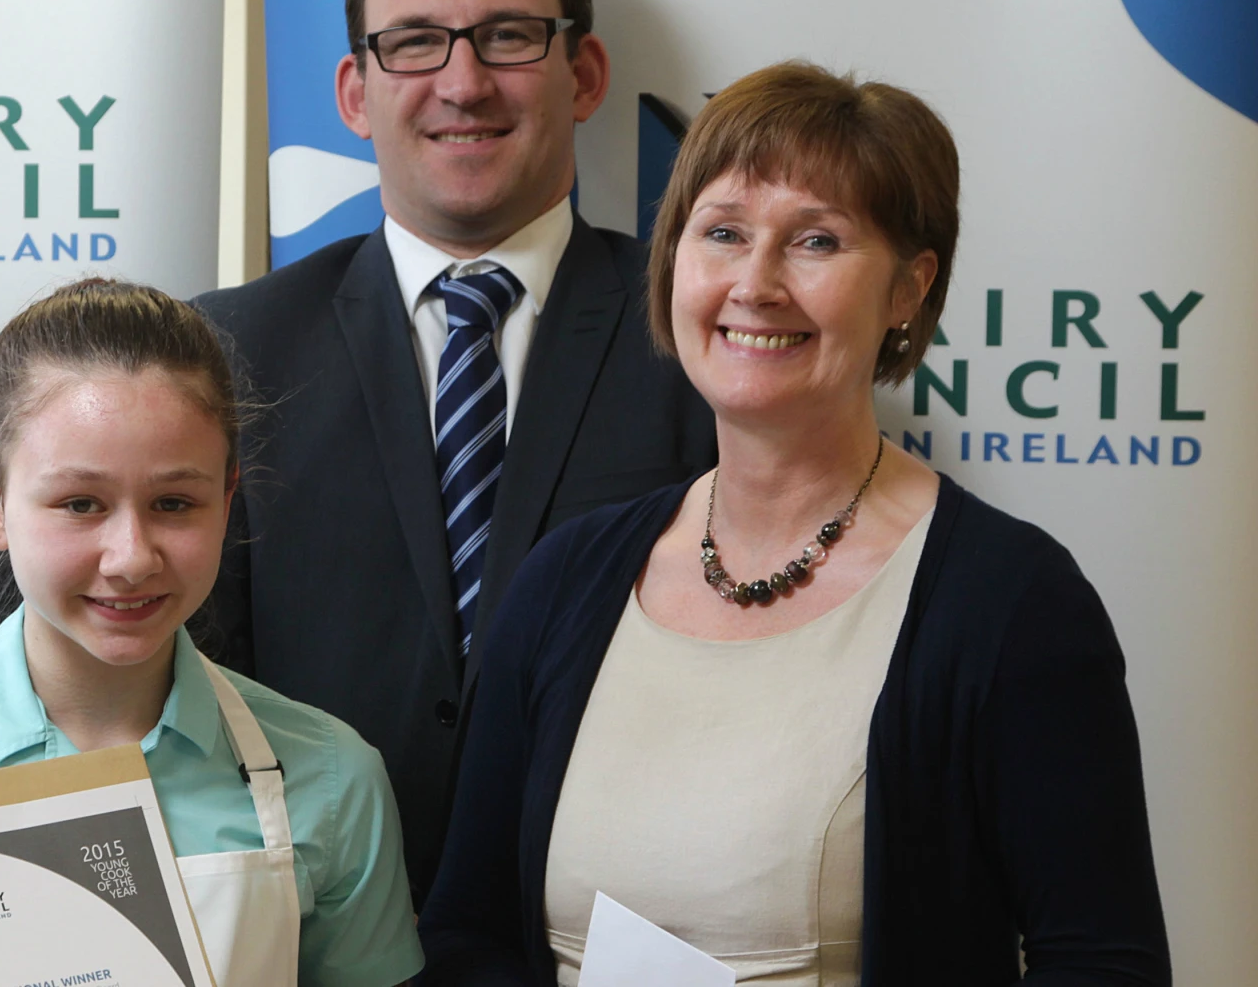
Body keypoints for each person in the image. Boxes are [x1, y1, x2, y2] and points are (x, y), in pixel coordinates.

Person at [419, 62, 1170, 985]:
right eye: (723, 233)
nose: (756, 283)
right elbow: (469, 932)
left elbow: (1103, 965)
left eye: (816, 241)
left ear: (908, 290)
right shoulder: (565, 579)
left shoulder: (1012, 603)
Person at [193, 0, 716, 897]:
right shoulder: (228, 355)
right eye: (415, 42)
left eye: (508, 36)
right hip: (314, 927)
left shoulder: (702, 342)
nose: (463, 83)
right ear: (355, 93)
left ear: (585, 74)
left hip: (621, 925)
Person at [0, 279, 425, 987]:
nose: (131, 558)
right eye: (80, 504)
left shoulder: (333, 781)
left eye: (174, 503)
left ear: (227, 500)